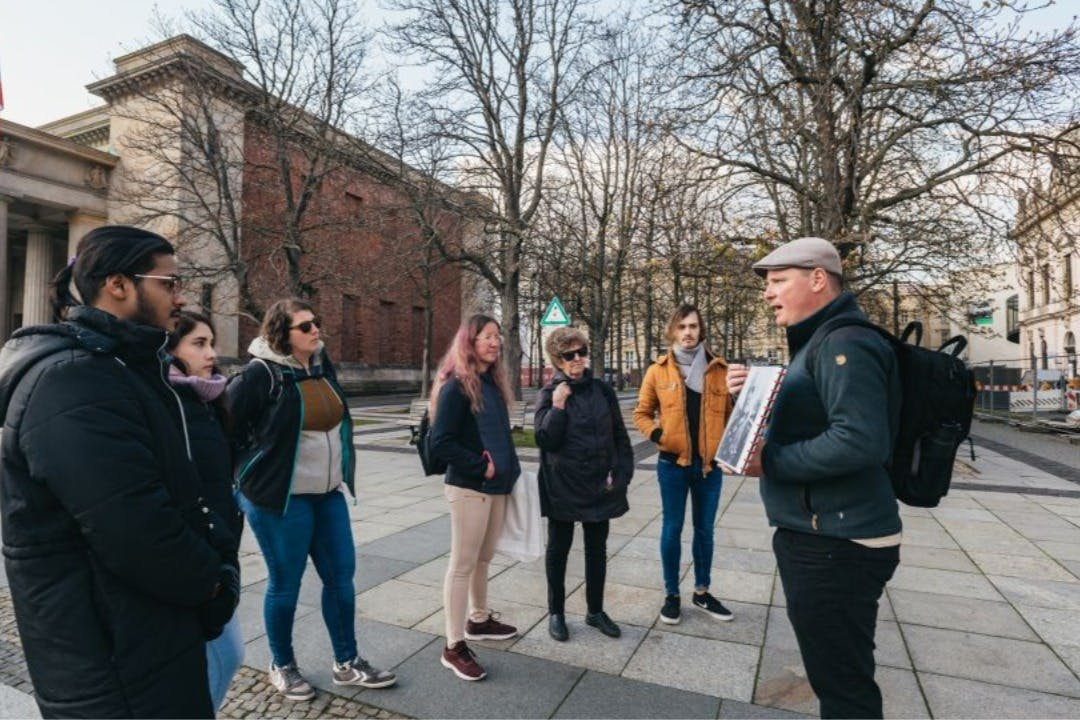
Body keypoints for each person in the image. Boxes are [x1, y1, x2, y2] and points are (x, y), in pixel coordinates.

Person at [0, 225, 235, 718]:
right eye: (168, 283)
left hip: (137, 637)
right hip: (113, 657)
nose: (179, 295)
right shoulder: (75, 380)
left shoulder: (118, 367)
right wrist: (213, 583)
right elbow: (134, 528)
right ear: (119, 284)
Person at [728, 236, 902, 719]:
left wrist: (772, 461)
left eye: (779, 281)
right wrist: (752, 395)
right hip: (822, 533)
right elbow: (815, 416)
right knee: (839, 674)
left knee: (843, 687)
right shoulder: (819, 342)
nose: (768, 293)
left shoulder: (846, 341)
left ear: (819, 279)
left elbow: (859, 440)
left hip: (836, 542)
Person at [227, 298, 396, 702]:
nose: (316, 330)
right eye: (305, 326)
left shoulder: (321, 364)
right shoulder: (259, 374)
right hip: (280, 499)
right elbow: (224, 428)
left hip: (327, 494)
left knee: (341, 579)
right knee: (285, 584)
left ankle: (347, 662)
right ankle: (282, 664)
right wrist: (242, 479)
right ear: (281, 334)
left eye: (316, 322)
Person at [429, 313, 521, 681]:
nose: (495, 343)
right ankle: (453, 646)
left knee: (484, 557)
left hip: (496, 488)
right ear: (470, 341)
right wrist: (479, 466)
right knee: (463, 563)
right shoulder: (456, 386)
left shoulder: (491, 384)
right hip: (470, 488)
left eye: (498, 337)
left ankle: (479, 620)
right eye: (487, 337)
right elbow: (440, 442)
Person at [633, 304, 735, 625]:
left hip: (708, 467)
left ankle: (702, 592)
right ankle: (671, 596)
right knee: (672, 529)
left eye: (693, 326)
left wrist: (727, 450)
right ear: (672, 332)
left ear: (700, 330)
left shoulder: (719, 369)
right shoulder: (658, 371)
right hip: (672, 464)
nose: (688, 332)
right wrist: (658, 433)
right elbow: (641, 413)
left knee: (704, 530)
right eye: (682, 327)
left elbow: (732, 418)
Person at [534, 327, 634, 642]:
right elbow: (544, 439)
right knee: (558, 549)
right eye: (569, 354)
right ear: (557, 360)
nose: (577, 359)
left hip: (598, 484)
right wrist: (559, 406)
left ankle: (595, 611)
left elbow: (619, 434)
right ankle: (556, 613)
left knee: (597, 549)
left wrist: (621, 473)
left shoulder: (602, 390)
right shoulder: (549, 394)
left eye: (581, 351)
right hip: (562, 484)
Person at [167, 310, 245, 711]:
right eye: (199, 344)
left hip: (219, 546)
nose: (212, 353)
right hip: (195, 554)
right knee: (224, 654)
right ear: (171, 349)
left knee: (223, 655)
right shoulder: (170, 401)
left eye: (212, 342)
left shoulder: (209, 398)